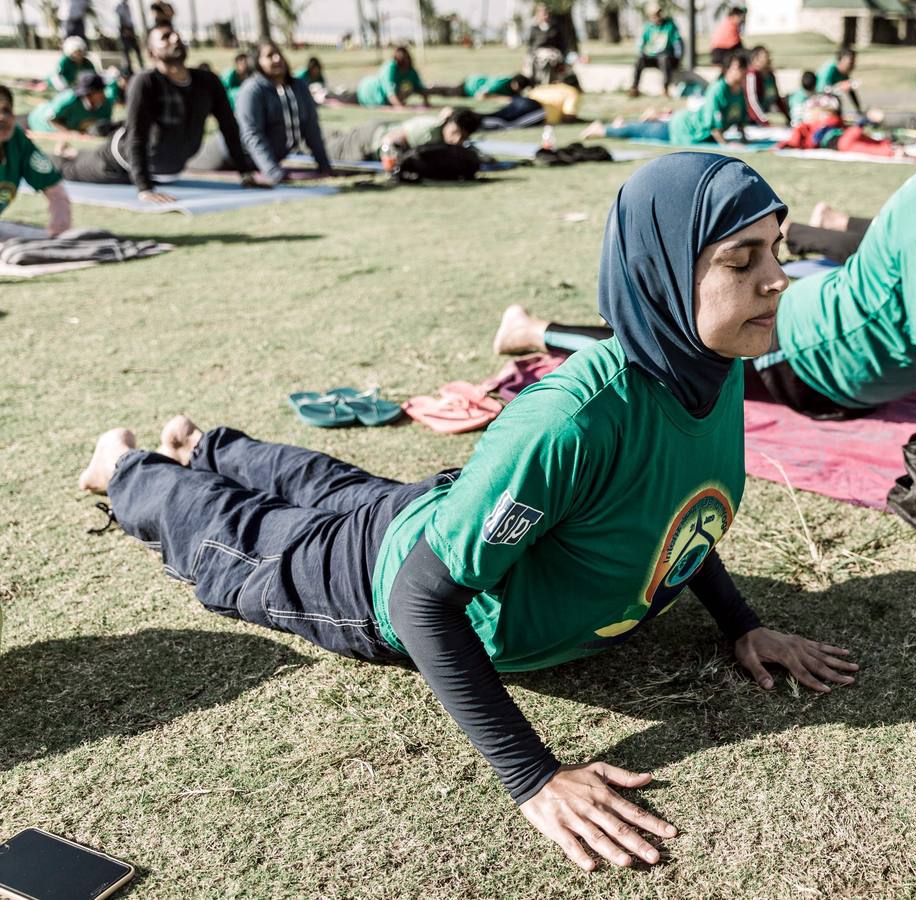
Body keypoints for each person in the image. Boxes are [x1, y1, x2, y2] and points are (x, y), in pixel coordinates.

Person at [76, 151, 857, 872]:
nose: (777, 278)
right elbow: (421, 601)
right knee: (240, 541)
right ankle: (128, 468)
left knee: (340, 486)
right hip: (372, 582)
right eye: (740, 258)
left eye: (777, 248)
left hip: (449, 513)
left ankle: (206, 442)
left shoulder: (712, 367)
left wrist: (742, 622)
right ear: (659, 273)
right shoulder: (575, 418)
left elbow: (673, 512)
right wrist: (534, 777)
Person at [506, 59, 916, 438]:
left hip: (844, 350)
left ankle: (538, 328)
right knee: (659, 356)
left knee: (673, 352)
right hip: (804, 358)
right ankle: (534, 329)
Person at [52, 25, 256, 205]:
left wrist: (245, 174)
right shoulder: (146, 82)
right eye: (166, 37)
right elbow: (136, 135)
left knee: (79, 156)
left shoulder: (208, 82)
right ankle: (51, 158)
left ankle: (71, 152)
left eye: (175, 34)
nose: (175, 39)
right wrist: (145, 189)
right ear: (151, 53)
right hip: (119, 162)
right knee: (67, 169)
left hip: (162, 171)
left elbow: (229, 127)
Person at [189, 41, 332, 184]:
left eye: (279, 54)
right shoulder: (252, 90)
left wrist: (324, 165)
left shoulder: (299, 87)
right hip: (225, 155)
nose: (277, 59)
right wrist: (272, 171)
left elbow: (311, 127)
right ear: (257, 62)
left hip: (260, 161)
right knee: (186, 164)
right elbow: (251, 134)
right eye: (270, 56)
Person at [583, 52, 748, 146]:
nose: (741, 72)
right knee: (641, 132)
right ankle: (603, 130)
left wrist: (743, 138)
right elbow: (714, 127)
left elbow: (739, 119)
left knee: (645, 128)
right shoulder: (717, 90)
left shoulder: (739, 91)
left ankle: (625, 123)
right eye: (737, 68)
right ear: (727, 70)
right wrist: (726, 145)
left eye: (743, 68)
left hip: (691, 126)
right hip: (683, 129)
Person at [0, 86, 72, 237]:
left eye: (6, 110)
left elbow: (53, 188)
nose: (2, 117)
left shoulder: (17, 141)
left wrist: (61, 226)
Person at [776, 93, 916, 159]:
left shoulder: (819, 124)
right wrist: (785, 144)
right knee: (867, 145)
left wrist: (784, 144)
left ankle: (892, 148)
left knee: (867, 144)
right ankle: (891, 147)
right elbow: (795, 139)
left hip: (843, 141)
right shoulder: (813, 125)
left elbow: (795, 139)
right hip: (844, 139)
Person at [321, 107, 481, 162]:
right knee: (327, 151)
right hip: (369, 141)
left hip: (377, 129)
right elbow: (391, 141)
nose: (456, 140)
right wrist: (393, 164)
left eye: (463, 137)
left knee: (336, 138)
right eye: (454, 133)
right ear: (447, 123)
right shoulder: (427, 132)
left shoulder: (445, 128)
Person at [25, 71, 112, 136]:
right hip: (39, 122)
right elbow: (50, 119)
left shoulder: (107, 104)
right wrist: (70, 133)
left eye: (102, 90)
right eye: (98, 91)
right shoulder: (68, 100)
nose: (102, 94)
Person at [630, 3, 683, 98]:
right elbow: (641, 42)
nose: (656, 17)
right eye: (653, 15)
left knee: (664, 58)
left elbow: (677, 41)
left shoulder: (669, 25)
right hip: (653, 56)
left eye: (658, 14)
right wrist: (640, 51)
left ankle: (665, 89)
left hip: (667, 57)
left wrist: (678, 56)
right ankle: (634, 88)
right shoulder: (648, 27)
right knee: (640, 60)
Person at [480, 82, 581, 131]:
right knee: (507, 124)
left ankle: (471, 119)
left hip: (523, 100)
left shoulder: (552, 85)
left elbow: (514, 99)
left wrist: (493, 97)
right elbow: (569, 116)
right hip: (538, 109)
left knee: (495, 116)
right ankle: (475, 123)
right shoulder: (572, 91)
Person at [356, 45, 431, 108]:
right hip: (367, 93)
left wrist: (426, 102)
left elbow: (420, 87)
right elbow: (390, 92)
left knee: (407, 88)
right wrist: (400, 107)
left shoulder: (410, 70)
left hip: (385, 97)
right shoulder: (390, 67)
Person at [745, 45, 789, 126]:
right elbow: (752, 101)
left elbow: (777, 98)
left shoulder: (770, 75)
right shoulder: (752, 75)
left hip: (764, 117)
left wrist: (788, 117)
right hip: (751, 121)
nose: (769, 59)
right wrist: (764, 121)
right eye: (765, 56)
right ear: (755, 60)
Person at [816, 47, 861, 116]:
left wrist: (859, 110)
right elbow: (821, 90)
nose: (852, 66)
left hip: (828, 98)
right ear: (841, 61)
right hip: (815, 100)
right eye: (850, 63)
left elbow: (850, 91)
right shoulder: (829, 69)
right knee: (835, 101)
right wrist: (840, 86)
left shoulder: (843, 72)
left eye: (853, 63)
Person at [116, 0, 143, 71]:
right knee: (126, 51)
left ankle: (141, 66)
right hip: (124, 28)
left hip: (131, 28)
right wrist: (125, 30)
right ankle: (129, 69)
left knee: (136, 49)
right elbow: (120, 19)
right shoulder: (120, 7)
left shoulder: (129, 6)